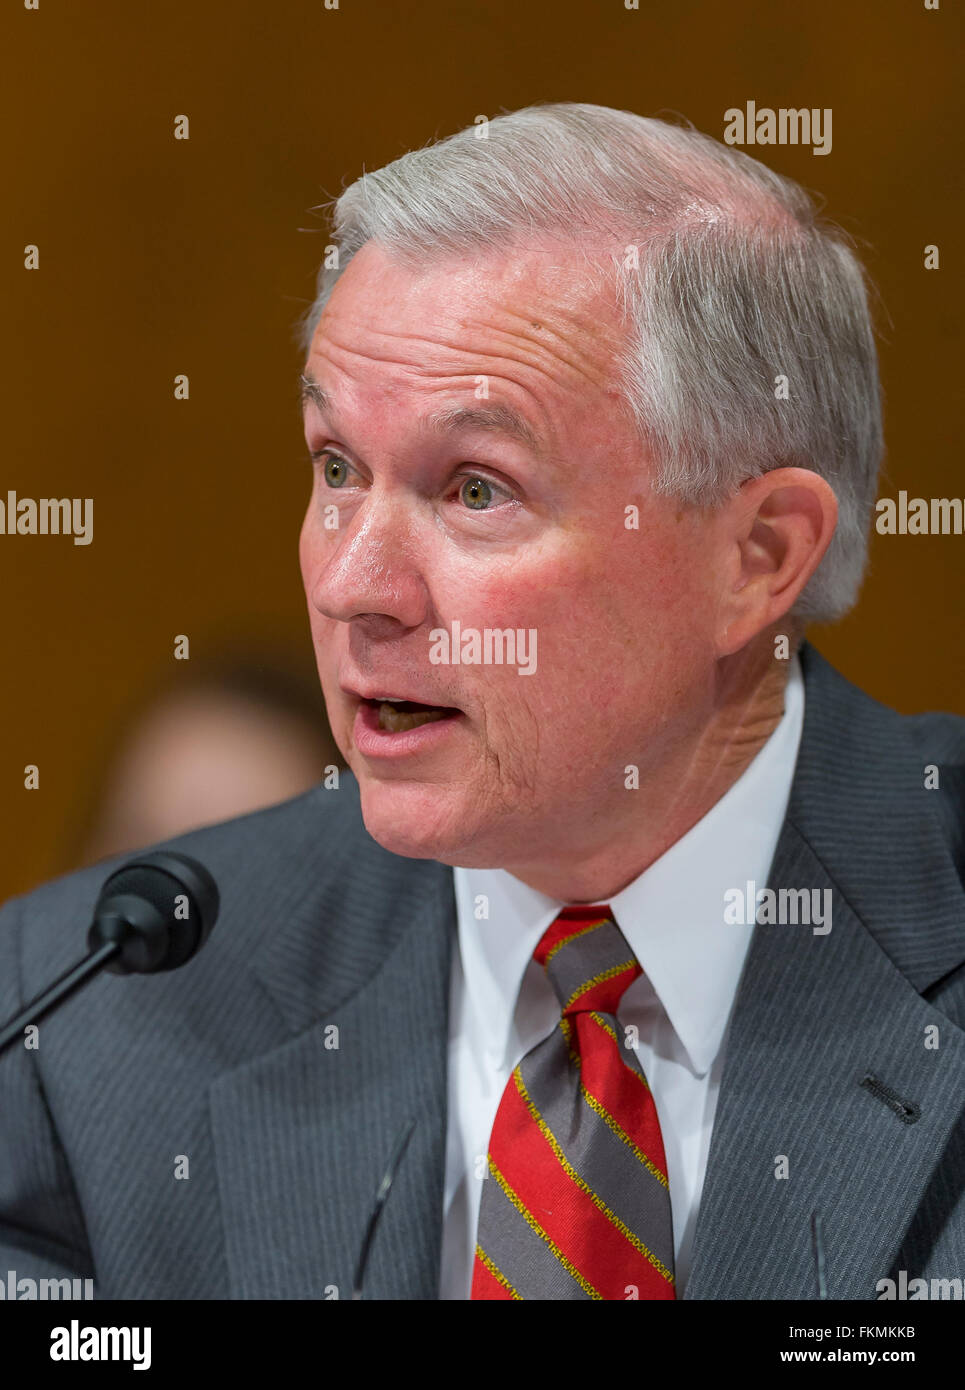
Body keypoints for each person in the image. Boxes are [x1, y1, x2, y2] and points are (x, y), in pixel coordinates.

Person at [1, 103, 962, 1301]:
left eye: (474, 489)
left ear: (757, 556)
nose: (353, 587)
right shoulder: (88, 1019)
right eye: (336, 467)